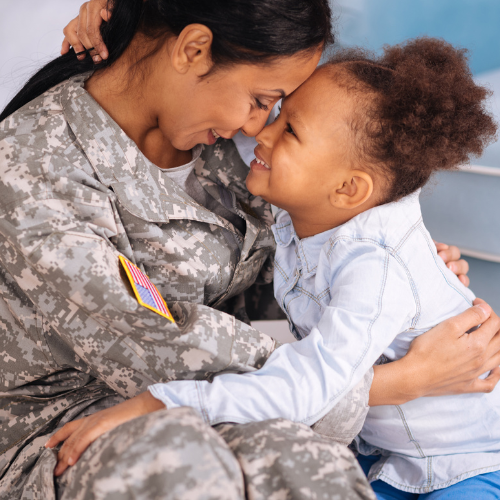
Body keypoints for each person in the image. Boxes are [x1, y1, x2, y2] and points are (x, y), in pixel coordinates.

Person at [1, 0, 499, 498]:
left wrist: (382, 285)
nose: (256, 127)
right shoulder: (31, 176)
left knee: (305, 466)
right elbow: (165, 343)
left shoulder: (215, 144)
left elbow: (267, 269)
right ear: (194, 49)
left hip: (227, 405)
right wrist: (398, 380)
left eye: (278, 110)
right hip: (60, 433)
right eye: (262, 100)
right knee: (183, 467)